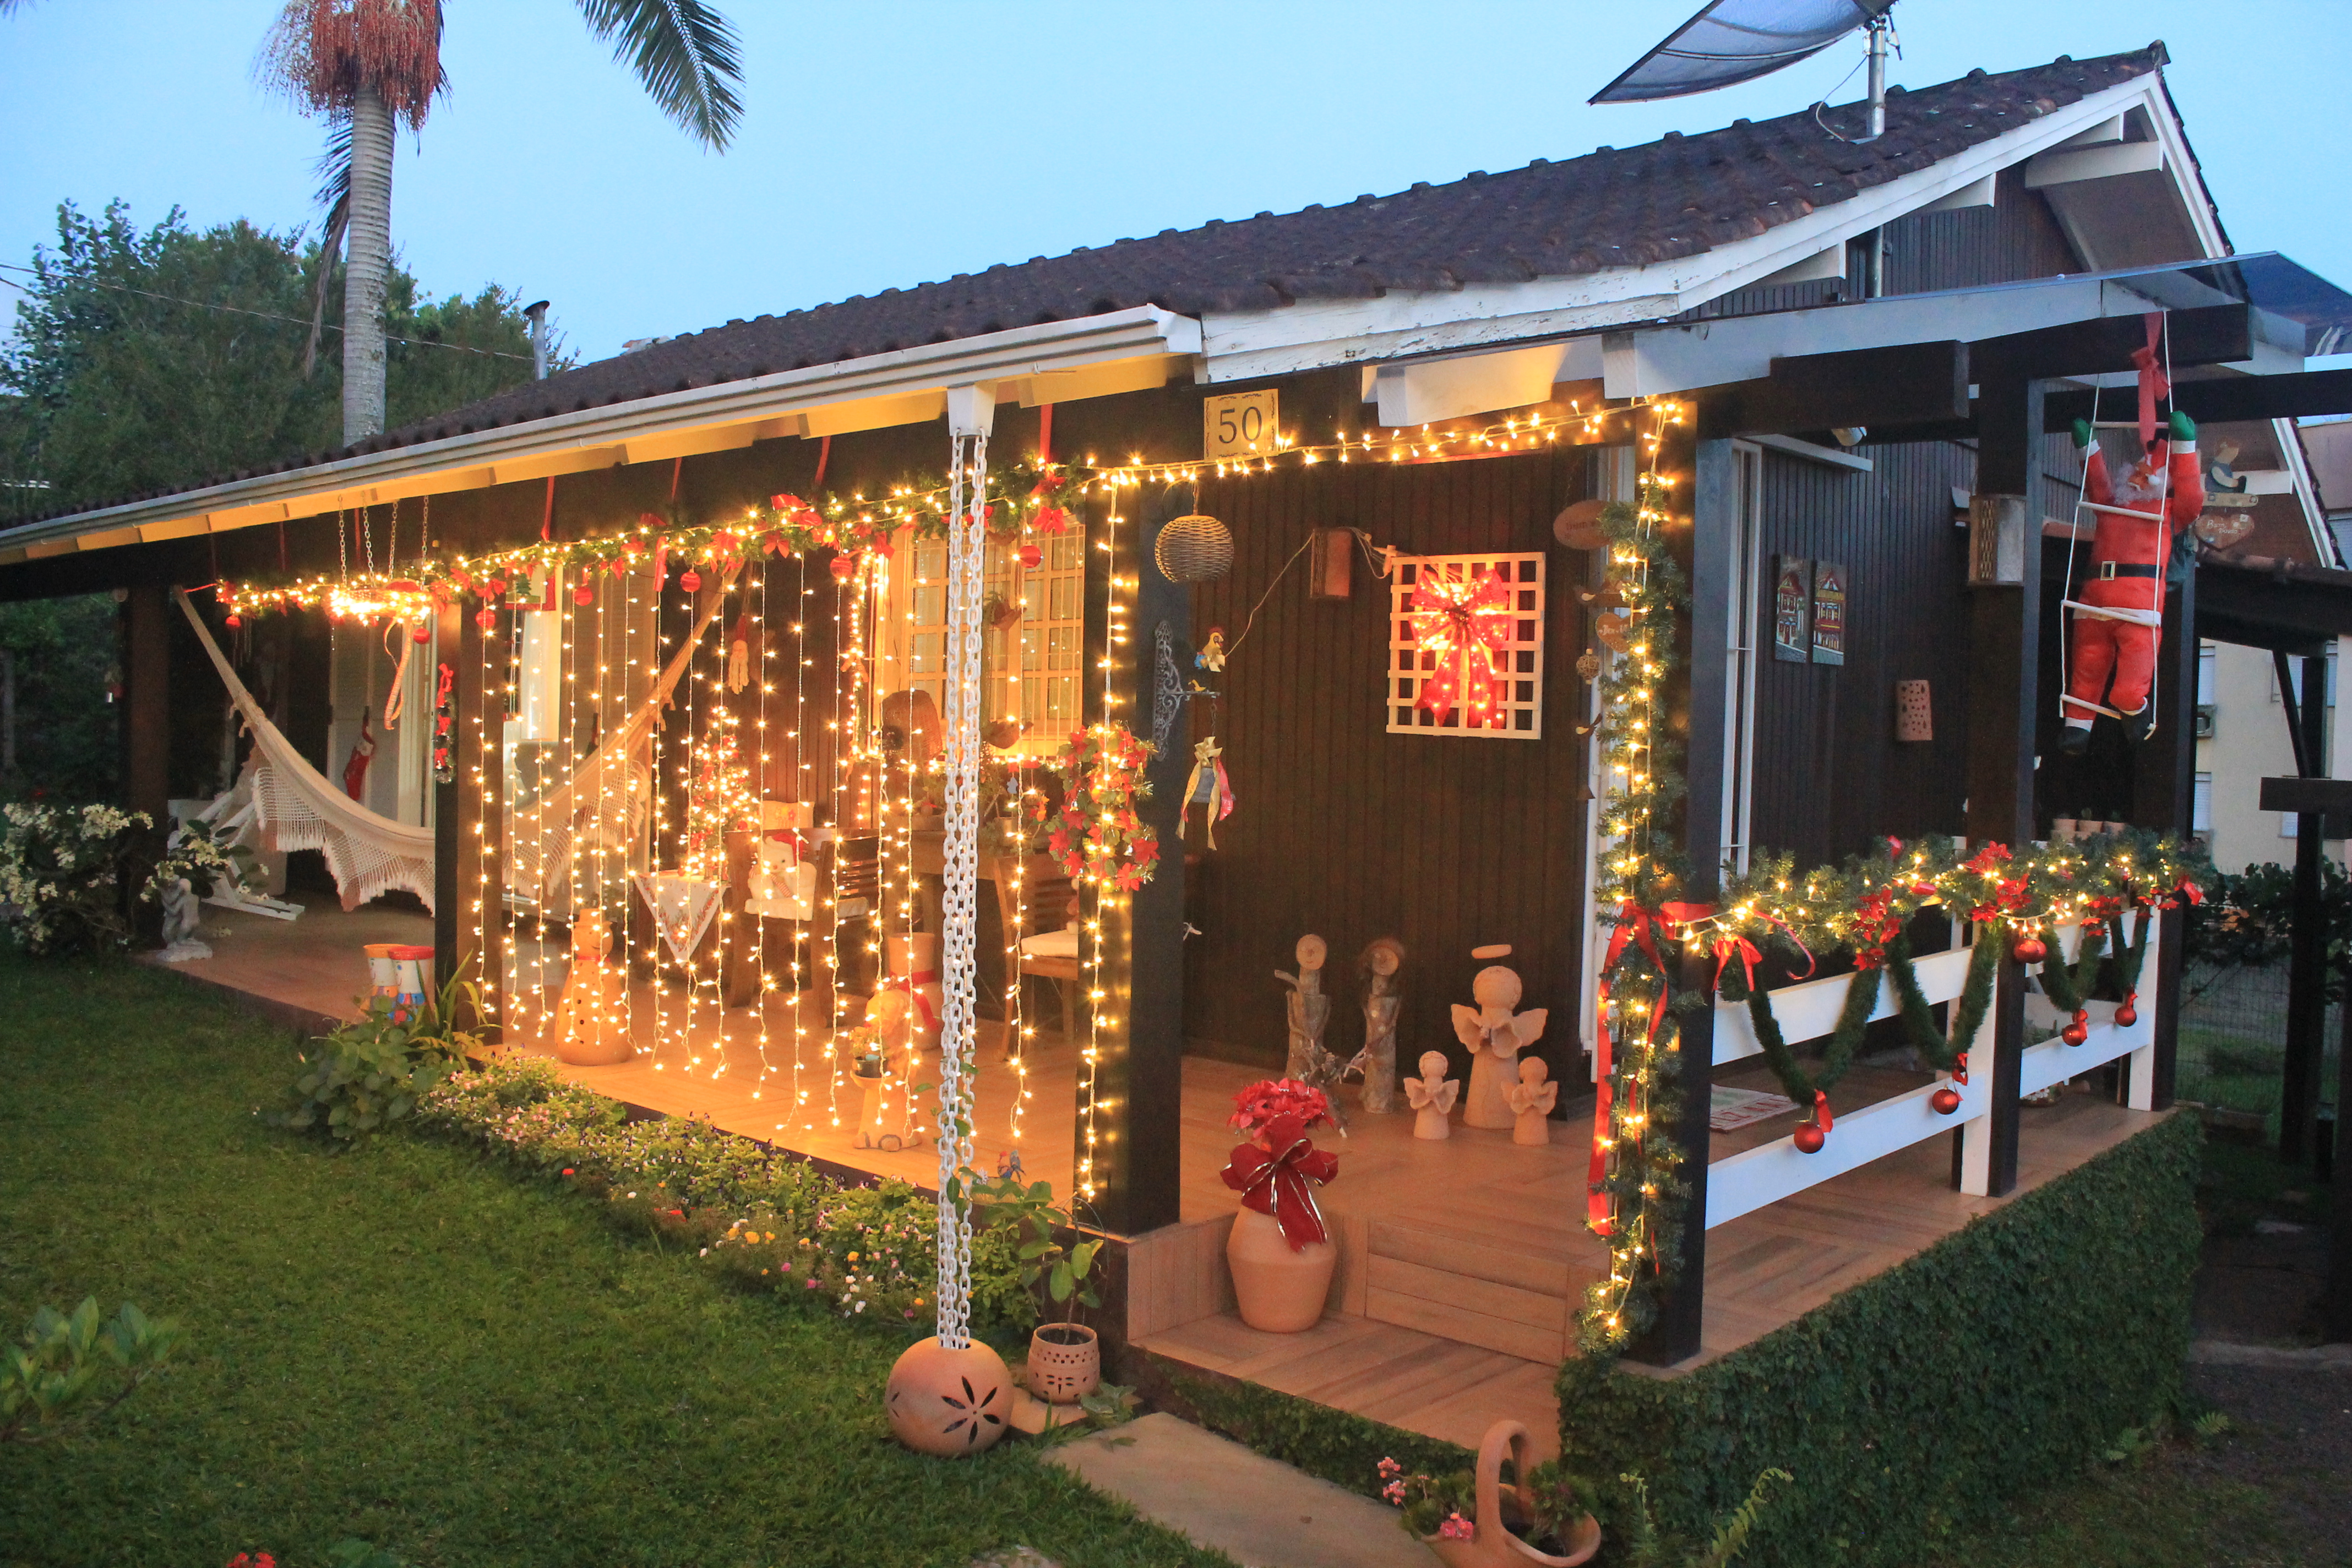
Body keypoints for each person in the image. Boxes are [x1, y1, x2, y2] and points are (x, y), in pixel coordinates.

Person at [2060, 410, 2202, 754]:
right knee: (2087, 668)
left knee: (2130, 680)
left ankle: (2134, 707)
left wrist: (2184, 445)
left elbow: (2192, 498)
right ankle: (2077, 727)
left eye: (2150, 471)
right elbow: (2097, 483)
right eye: (2140, 468)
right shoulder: (2114, 505)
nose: (2141, 474)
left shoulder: (2169, 514)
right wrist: (2087, 445)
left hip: (2139, 605)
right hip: (2092, 600)